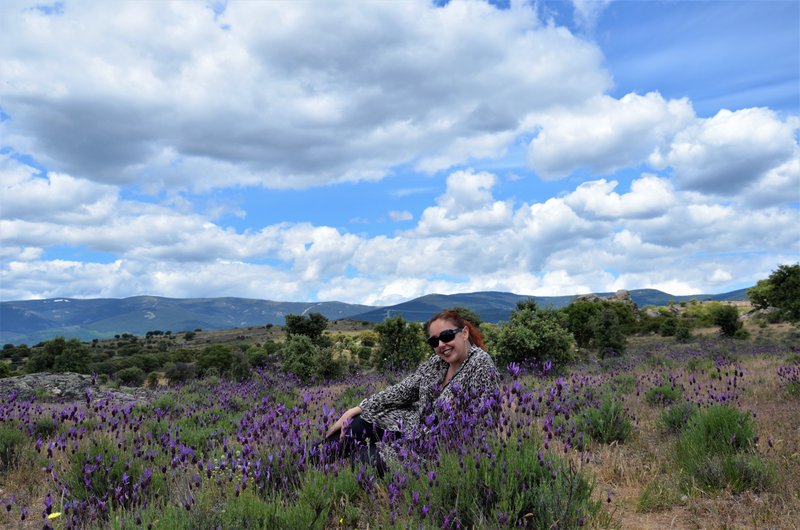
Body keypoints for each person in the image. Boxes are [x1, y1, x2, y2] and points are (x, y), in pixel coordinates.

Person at [321, 310, 500, 474]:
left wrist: (402, 446)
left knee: (364, 459)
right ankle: (307, 464)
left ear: (465, 333)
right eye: (434, 341)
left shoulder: (480, 365)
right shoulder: (437, 362)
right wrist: (358, 407)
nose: (441, 344)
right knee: (356, 424)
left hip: (441, 449)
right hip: (415, 429)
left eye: (446, 336)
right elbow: (405, 389)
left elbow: (483, 424)